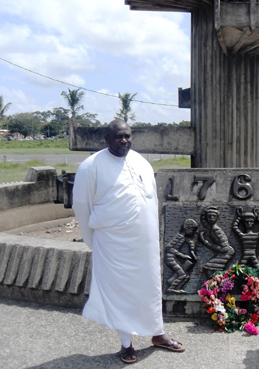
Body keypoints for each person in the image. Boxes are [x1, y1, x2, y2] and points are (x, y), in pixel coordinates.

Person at [72, 119, 185, 364]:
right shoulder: (90, 166)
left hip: (144, 244)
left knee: (150, 287)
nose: (124, 141)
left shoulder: (141, 162)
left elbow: (152, 200)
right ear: (106, 139)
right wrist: (93, 242)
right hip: (113, 246)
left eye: (127, 136)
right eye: (118, 137)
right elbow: (82, 207)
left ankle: (158, 334)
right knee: (119, 293)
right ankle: (126, 344)